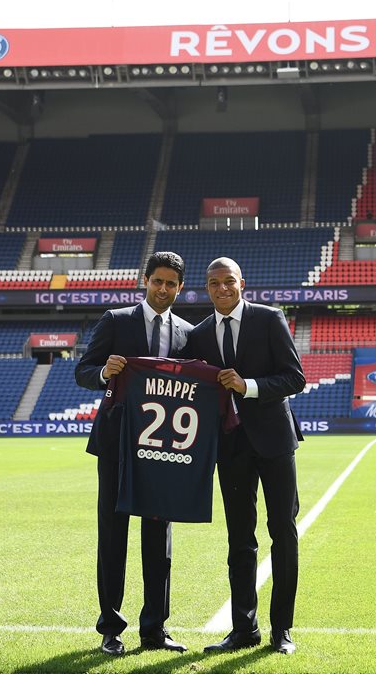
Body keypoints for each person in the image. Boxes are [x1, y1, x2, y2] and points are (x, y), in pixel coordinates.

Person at [186, 257, 306, 655]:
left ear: (242, 283)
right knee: (239, 539)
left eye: (229, 281)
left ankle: (281, 630)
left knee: (282, 532)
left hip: (274, 442)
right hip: (230, 446)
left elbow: (295, 377)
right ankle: (243, 630)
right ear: (207, 288)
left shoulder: (269, 319)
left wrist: (247, 385)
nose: (222, 289)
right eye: (214, 283)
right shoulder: (200, 334)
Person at [74, 251, 193, 655]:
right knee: (113, 534)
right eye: (157, 281)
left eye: (171, 283)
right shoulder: (116, 320)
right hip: (116, 446)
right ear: (145, 281)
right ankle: (111, 629)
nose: (163, 289)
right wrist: (103, 372)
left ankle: (155, 629)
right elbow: (82, 371)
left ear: (180, 287)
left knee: (159, 538)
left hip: (163, 449)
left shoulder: (187, 333)